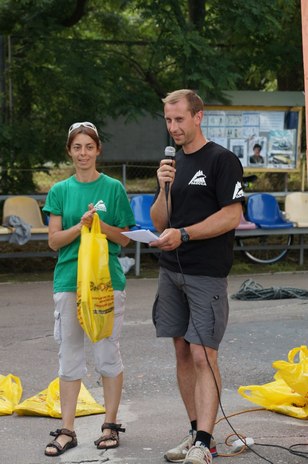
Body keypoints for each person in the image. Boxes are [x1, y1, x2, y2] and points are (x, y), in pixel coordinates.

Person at [149, 90, 244, 464]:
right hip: (170, 270)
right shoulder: (171, 164)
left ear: (198, 117)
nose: (173, 127)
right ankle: (194, 433)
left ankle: (206, 443)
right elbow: (160, 221)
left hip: (206, 272)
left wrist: (185, 233)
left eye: (179, 119)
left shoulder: (222, 160)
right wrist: (162, 186)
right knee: (181, 351)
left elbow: (232, 215)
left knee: (204, 355)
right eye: (168, 120)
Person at [42, 121, 135, 457]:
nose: (83, 153)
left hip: (106, 282)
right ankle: (67, 430)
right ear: (69, 151)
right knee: (70, 357)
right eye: (77, 147)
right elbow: (54, 242)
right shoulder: (60, 191)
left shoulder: (113, 188)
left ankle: (110, 425)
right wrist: (78, 226)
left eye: (89, 147)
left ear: (98, 150)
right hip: (69, 281)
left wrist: (100, 224)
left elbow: (124, 237)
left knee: (107, 353)